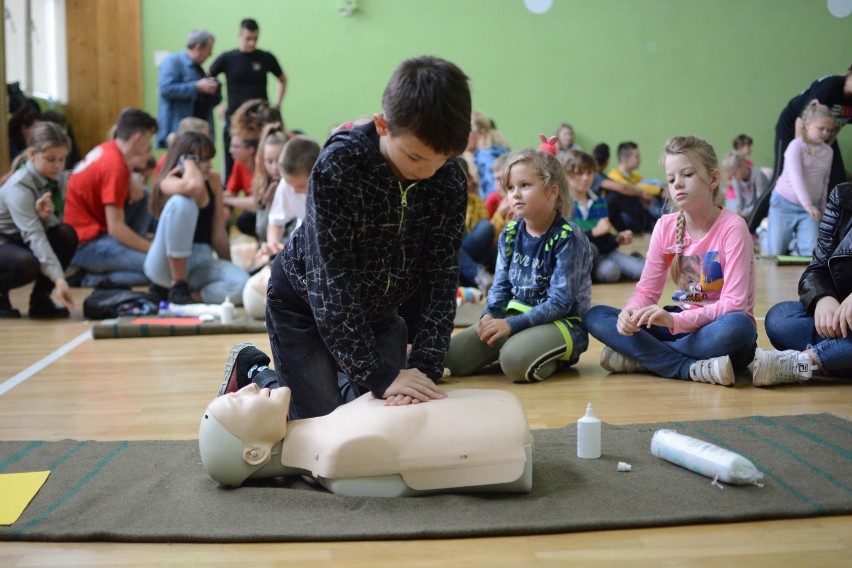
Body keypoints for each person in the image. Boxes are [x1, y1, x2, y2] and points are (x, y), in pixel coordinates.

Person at [219, 55, 472, 421]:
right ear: (383, 126)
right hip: (303, 305)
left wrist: (426, 370)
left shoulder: (447, 178)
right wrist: (378, 375)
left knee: (379, 420)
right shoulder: (341, 164)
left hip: (379, 312)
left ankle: (340, 375)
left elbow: (442, 274)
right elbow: (329, 280)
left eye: (443, 159)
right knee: (318, 427)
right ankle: (256, 372)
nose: (429, 172)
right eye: (416, 157)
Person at [584, 135, 757, 386]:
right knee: (596, 316)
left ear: (713, 178)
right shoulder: (665, 226)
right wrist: (630, 312)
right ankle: (687, 367)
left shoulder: (733, 227)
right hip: (680, 323)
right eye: (671, 178)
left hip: (718, 329)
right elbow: (646, 290)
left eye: (687, 175)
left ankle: (645, 357)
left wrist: (675, 322)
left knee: (738, 327)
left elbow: (735, 304)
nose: (677, 184)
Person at [199, 383, 533, 495]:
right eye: (238, 400)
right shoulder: (336, 460)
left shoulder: (331, 438)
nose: (248, 388)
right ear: (255, 454)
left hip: (497, 422)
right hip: (505, 441)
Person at [444, 146, 592, 383]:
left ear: (552, 192)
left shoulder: (568, 236)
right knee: (448, 358)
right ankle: (515, 346)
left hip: (564, 324)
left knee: (513, 362)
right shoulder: (510, 231)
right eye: (510, 187)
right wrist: (489, 315)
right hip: (516, 317)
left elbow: (561, 303)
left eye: (525, 185)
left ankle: (556, 356)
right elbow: (501, 285)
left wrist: (511, 326)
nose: (515, 194)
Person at [756, 181, 852, 385]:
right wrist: (823, 298)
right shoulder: (843, 196)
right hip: (843, 325)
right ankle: (838, 357)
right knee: (780, 318)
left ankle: (804, 363)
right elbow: (817, 268)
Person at [144, 131, 248, 305]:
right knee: (184, 203)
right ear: (184, 161)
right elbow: (194, 186)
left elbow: (219, 234)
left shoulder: (213, 180)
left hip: (201, 260)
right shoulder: (168, 181)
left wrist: (228, 267)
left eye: (209, 159)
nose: (208, 165)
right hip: (164, 263)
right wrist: (189, 163)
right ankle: (177, 283)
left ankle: (187, 297)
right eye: (201, 160)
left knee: (242, 283)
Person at [64, 108, 158, 287]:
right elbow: (116, 228)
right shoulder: (113, 167)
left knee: (144, 195)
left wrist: (131, 178)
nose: (149, 146)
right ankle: (87, 278)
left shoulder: (109, 150)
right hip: (85, 246)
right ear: (138, 138)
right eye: (149, 139)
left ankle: (123, 257)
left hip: (92, 234)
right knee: (157, 271)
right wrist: (153, 249)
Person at [0, 122, 77, 318]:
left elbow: (54, 226)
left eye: (62, 159)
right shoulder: (18, 186)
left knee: (66, 235)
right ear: (33, 155)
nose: (57, 166)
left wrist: (46, 218)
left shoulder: (58, 178)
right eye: (50, 159)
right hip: (5, 241)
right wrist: (60, 279)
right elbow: (34, 236)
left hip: (20, 238)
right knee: (25, 264)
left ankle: (40, 301)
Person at [209, 18, 287, 181]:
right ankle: (230, 200)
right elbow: (208, 80)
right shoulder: (227, 58)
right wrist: (217, 105)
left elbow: (282, 79)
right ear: (239, 36)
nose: (252, 43)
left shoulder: (266, 57)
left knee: (266, 157)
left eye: (255, 39)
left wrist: (277, 105)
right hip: (236, 120)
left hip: (262, 121)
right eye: (248, 39)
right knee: (232, 157)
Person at [764, 100, 835, 257]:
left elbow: (825, 181)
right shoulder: (795, 147)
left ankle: (796, 241)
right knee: (775, 252)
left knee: (811, 253)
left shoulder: (828, 151)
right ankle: (764, 233)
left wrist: (821, 208)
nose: (825, 133)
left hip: (810, 209)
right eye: (821, 128)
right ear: (808, 124)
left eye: (828, 130)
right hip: (784, 203)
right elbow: (796, 178)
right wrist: (808, 204)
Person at [564, 149, 644, 283]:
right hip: (586, 258)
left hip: (606, 252)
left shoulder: (599, 201)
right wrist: (594, 232)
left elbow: (605, 237)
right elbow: (569, 240)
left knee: (641, 270)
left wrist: (617, 238)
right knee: (611, 272)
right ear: (567, 175)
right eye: (580, 173)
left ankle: (630, 261)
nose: (585, 178)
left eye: (589, 173)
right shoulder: (565, 204)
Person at [773, 65, 852, 193]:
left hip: (823, 131)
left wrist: (827, 146)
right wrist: (801, 150)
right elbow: (801, 120)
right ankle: (756, 214)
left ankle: (831, 212)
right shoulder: (830, 87)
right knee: (784, 178)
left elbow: (839, 123)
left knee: (837, 179)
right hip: (794, 127)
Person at [156, 29, 221, 149]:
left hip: (199, 133)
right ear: (198, 47)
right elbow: (165, 88)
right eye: (210, 49)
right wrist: (197, 86)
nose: (211, 54)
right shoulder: (173, 62)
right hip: (178, 133)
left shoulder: (200, 70)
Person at [604, 141, 661, 233]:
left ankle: (661, 223)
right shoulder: (613, 175)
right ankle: (655, 224)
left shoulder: (634, 176)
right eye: (637, 157)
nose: (640, 159)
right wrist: (658, 190)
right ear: (625, 159)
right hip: (622, 218)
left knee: (655, 185)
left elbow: (643, 186)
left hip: (636, 214)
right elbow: (627, 188)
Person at [471, 110, 510, 199]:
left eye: (468, 131)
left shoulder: (485, 156)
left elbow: (495, 192)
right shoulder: (497, 149)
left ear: (481, 132)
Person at [722, 150, 769, 219]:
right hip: (746, 211)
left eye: (735, 173)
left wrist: (743, 213)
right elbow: (739, 201)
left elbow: (761, 203)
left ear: (742, 165)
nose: (734, 177)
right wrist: (737, 212)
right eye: (732, 175)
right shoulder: (736, 179)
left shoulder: (758, 175)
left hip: (760, 210)